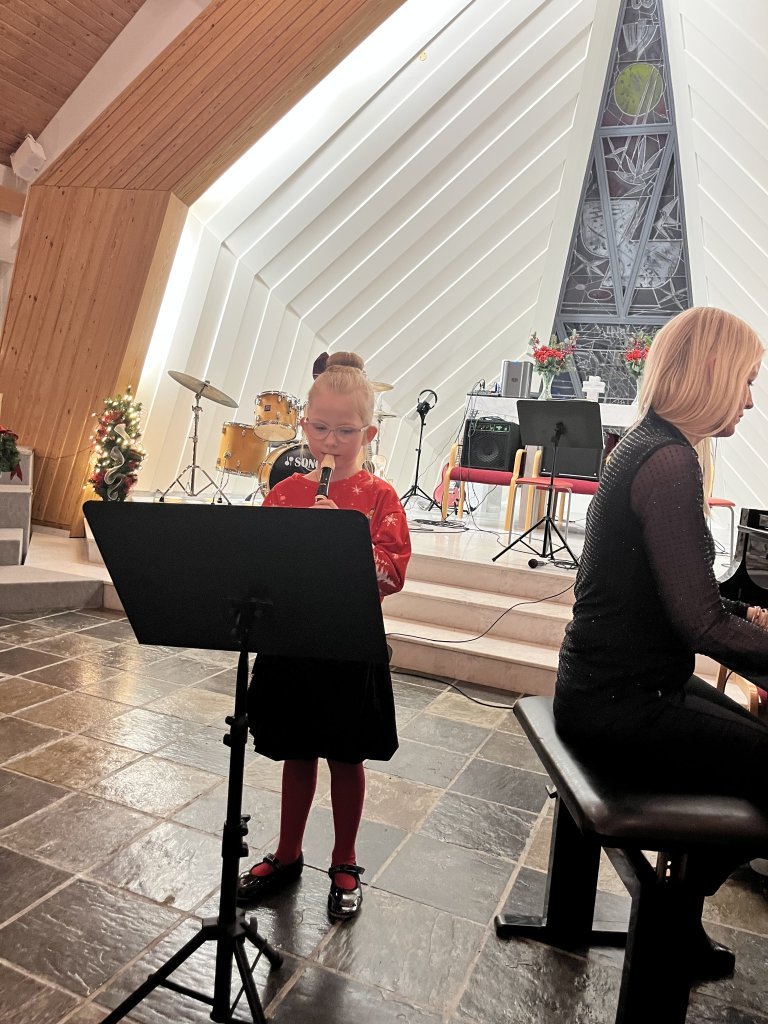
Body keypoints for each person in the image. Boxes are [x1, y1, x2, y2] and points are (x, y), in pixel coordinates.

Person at [553, 306, 768, 974]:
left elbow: (678, 591)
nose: (750, 399)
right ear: (712, 369)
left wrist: (749, 617)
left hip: (611, 688)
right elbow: (700, 624)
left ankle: (676, 913)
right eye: (747, 380)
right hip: (619, 705)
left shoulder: (649, 443)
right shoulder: (670, 461)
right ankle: (671, 916)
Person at [238, 352, 411, 920]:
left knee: (345, 754)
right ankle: (288, 852)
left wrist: (344, 537)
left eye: (345, 431)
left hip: (348, 641)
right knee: (296, 749)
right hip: (294, 639)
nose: (330, 442)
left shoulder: (381, 497)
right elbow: (260, 565)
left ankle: (345, 858)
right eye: (319, 428)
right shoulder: (285, 491)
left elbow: (392, 574)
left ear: (369, 434)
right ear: (303, 424)